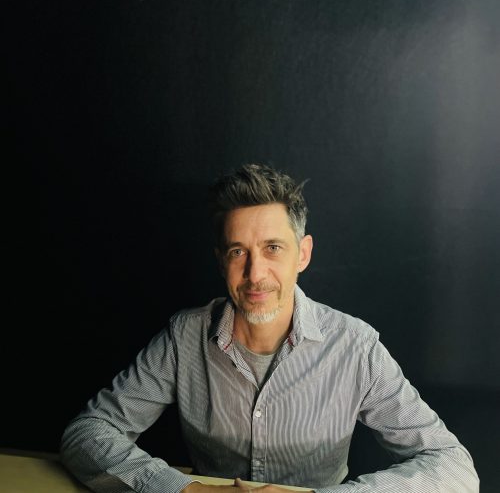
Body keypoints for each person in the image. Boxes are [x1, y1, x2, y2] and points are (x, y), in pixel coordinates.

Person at [60, 163, 479, 493]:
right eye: (238, 251)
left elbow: (453, 466)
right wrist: (185, 490)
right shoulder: (184, 337)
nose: (255, 273)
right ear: (221, 260)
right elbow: (87, 433)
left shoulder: (355, 347)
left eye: (273, 248)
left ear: (303, 254)